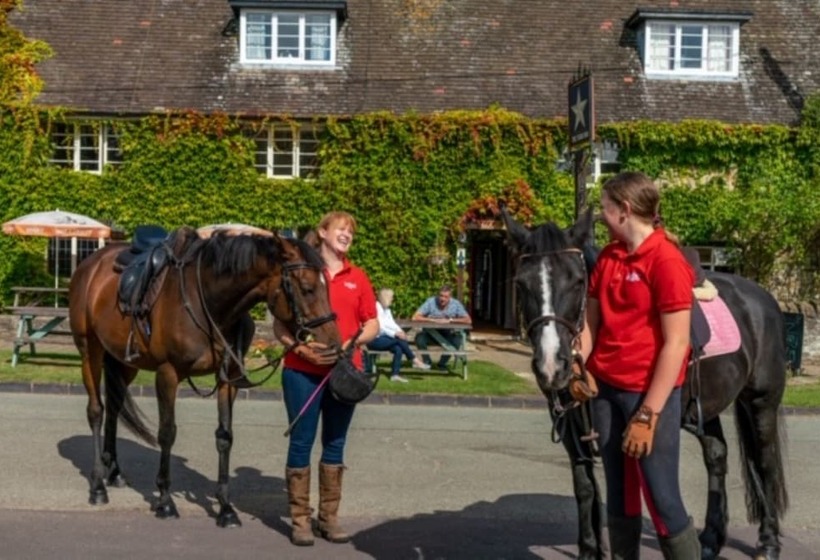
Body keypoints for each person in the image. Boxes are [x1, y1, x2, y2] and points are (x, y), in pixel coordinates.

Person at [579, 171, 700, 559]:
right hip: (604, 390)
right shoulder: (609, 258)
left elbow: (677, 343)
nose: (602, 215)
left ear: (624, 211)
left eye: (605, 208)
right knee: (620, 495)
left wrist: (649, 414)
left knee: (662, 498)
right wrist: (578, 368)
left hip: (647, 395)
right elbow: (589, 326)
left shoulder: (666, 261)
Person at [273, 211, 379, 547]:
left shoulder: (357, 277)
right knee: (301, 441)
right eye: (341, 229)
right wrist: (300, 350)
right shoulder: (304, 272)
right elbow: (279, 324)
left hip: (344, 371)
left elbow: (373, 323)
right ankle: (300, 520)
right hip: (302, 371)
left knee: (335, 443)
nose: (347, 234)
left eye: (351, 231)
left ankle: (329, 518)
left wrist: (353, 343)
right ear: (322, 233)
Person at [368, 288, 431, 382]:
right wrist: (395, 334)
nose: (393, 299)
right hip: (374, 340)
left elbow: (392, 323)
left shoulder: (387, 310)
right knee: (398, 339)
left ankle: (395, 375)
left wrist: (401, 331)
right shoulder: (376, 308)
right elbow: (380, 327)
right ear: (386, 297)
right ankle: (414, 360)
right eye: (392, 297)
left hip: (384, 339)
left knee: (399, 348)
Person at [411, 284, 472, 370]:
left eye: (446, 297)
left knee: (457, 340)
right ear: (438, 295)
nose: (442, 299)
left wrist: (450, 320)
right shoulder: (431, 302)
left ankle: (442, 363)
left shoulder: (456, 304)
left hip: (447, 335)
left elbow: (468, 320)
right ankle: (427, 361)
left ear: (450, 297)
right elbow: (415, 317)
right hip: (430, 333)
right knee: (419, 338)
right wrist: (432, 320)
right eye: (441, 296)